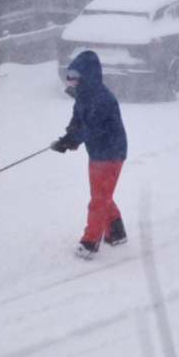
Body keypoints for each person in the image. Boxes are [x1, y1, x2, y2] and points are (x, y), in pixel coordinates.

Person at [51, 50, 128, 260]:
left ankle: (89, 242)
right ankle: (117, 232)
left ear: (86, 77)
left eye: (74, 78)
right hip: (97, 153)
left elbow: (91, 128)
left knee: (98, 199)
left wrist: (71, 141)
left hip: (111, 153)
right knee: (101, 194)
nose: (71, 82)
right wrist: (67, 136)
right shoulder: (84, 95)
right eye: (69, 78)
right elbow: (78, 119)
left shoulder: (102, 99)